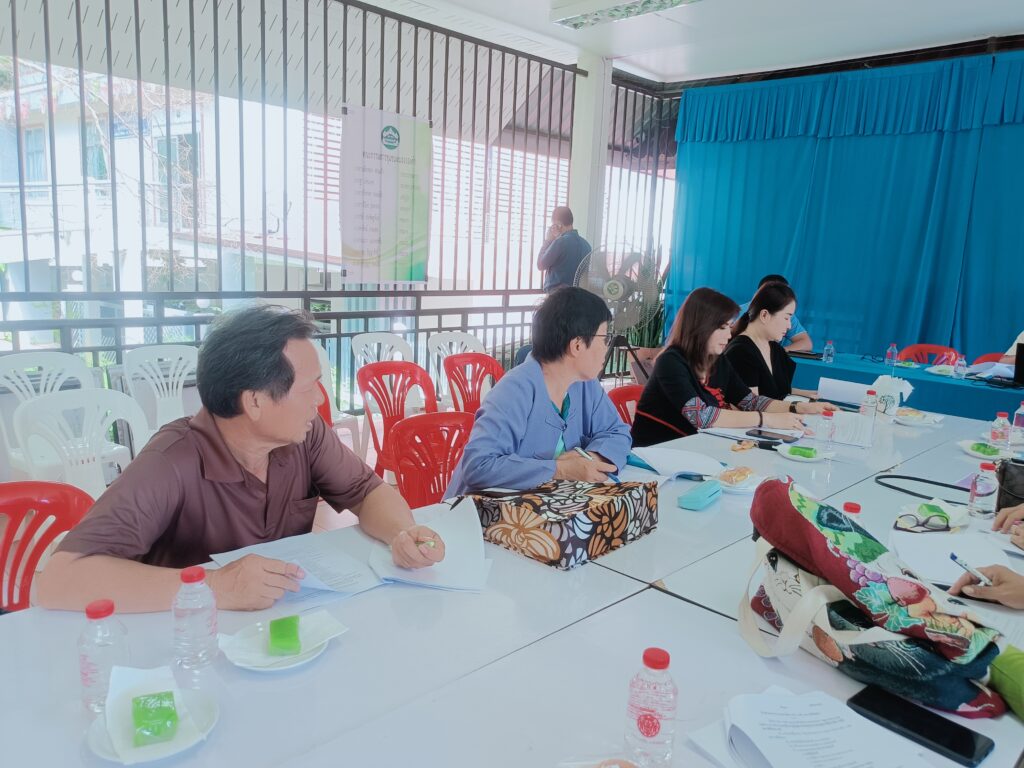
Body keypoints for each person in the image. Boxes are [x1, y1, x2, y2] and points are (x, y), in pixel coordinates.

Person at [36, 305, 445, 613]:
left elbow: (367, 491)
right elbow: (60, 578)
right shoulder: (171, 461)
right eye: (309, 388)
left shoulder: (305, 435)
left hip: (281, 627)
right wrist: (216, 586)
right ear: (254, 402)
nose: (321, 399)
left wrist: (401, 533)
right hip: (191, 643)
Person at [445, 286, 631, 497]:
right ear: (577, 345)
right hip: (481, 511)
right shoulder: (514, 390)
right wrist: (560, 470)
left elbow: (617, 431)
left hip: (546, 506)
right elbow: (479, 465)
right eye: (604, 339)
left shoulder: (585, 384)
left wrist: (592, 458)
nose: (607, 347)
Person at [631, 287, 832, 447]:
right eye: (723, 327)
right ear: (701, 327)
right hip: (657, 453)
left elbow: (750, 401)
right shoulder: (670, 361)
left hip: (695, 447)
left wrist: (798, 407)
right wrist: (768, 419)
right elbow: (702, 416)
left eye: (729, 327)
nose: (729, 335)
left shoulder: (717, 360)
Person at [725, 281, 819, 400]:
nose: (789, 326)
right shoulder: (740, 352)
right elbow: (752, 405)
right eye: (786, 318)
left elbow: (778, 391)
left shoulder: (775, 348)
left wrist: (813, 395)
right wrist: (798, 407)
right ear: (764, 315)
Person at [737, 274, 813, 352]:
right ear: (764, 315)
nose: (789, 326)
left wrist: (778, 352)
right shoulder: (737, 313)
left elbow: (806, 343)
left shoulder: (786, 315)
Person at [536, 206, 592, 292]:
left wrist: (548, 241)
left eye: (553, 225)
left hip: (557, 295)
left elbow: (541, 265)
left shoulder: (560, 242)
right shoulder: (586, 245)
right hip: (579, 294)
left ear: (559, 225)